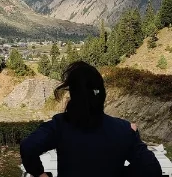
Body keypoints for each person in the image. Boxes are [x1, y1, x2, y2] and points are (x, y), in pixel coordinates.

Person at [20, 61, 162, 177]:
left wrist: (40, 173)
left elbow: (28, 147)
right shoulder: (124, 129)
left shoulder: (60, 125)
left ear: (74, 96)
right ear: (102, 95)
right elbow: (151, 169)